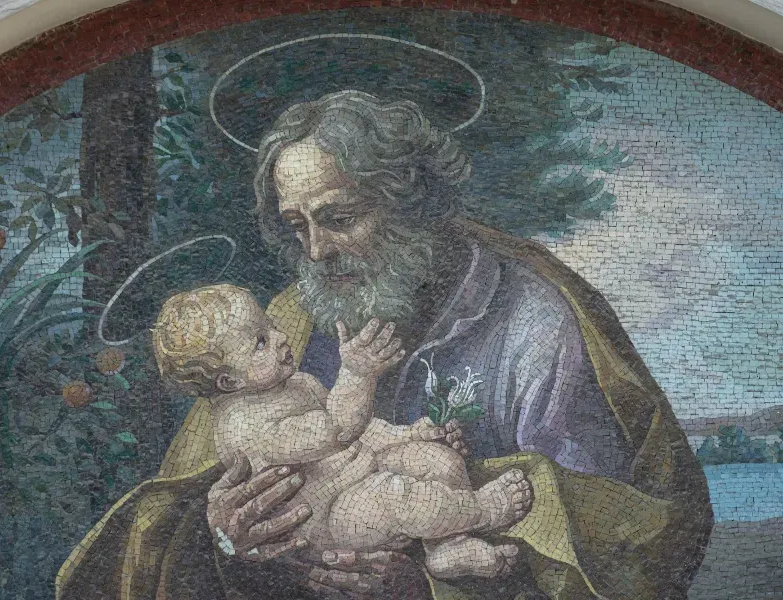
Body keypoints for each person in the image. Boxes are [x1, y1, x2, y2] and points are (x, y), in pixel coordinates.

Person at [56, 91, 713, 600]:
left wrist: (423, 585)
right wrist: (230, 539)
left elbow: (600, 548)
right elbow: (189, 509)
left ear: (410, 202)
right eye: (297, 226)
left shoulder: (534, 329)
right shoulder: (290, 321)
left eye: (338, 218)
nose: (316, 251)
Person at [151, 285, 534, 581]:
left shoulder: (296, 384)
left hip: (362, 474)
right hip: (334, 522)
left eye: (271, 324)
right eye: (260, 342)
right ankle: (483, 511)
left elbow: (363, 431)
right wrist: (356, 374)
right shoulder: (244, 426)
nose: (281, 337)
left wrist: (407, 435)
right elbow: (337, 429)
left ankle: (447, 546)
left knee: (437, 460)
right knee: (394, 495)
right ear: (229, 381)